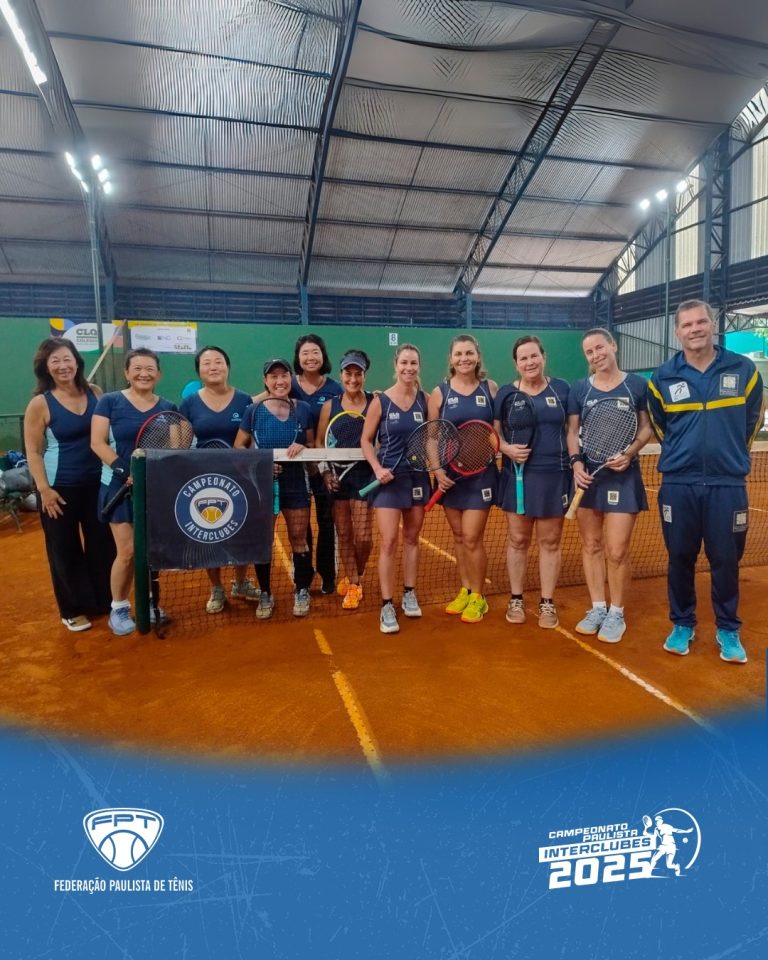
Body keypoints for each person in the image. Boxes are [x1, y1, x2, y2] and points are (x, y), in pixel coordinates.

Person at [647, 299, 764, 663]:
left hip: (727, 484)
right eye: (687, 324)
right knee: (680, 557)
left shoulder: (743, 370)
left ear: (712, 325)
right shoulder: (663, 377)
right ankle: (682, 623)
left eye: (700, 322)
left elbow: (754, 419)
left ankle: (728, 629)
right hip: (678, 485)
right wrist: (682, 457)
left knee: (726, 559)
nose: (694, 329)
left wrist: (733, 456)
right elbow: (661, 427)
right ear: (677, 332)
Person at [23, 338, 116, 632]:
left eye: (67, 359)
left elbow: (107, 436)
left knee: (103, 545)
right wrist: (44, 490)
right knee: (64, 549)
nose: (62, 366)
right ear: (45, 367)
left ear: (77, 362)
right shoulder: (40, 404)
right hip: (58, 489)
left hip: (98, 484)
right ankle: (72, 609)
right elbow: (33, 451)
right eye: (55, 361)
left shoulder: (96, 393)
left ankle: (103, 601)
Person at [566, 328, 653, 643]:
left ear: (613, 346)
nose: (596, 355)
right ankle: (597, 608)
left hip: (624, 476)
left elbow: (646, 427)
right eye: (589, 352)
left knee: (616, 550)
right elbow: (572, 432)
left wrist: (630, 453)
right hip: (588, 477)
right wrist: (576, 464)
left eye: (600, 348)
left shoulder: (637, 385)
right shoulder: (580, 389)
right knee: (591, 545)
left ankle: (616, 612)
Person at [91, 348, 177, 636]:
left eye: (150, 368)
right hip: (118, 486)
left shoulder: (168, 407)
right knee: (127, 551)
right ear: (127, 373)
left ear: (159, 374)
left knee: (150, 551)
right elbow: (97, 442)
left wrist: (155, 475)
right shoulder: (110, 402)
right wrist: (124, 472)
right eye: (137, 368)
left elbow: (173, 450)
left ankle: (148, 603)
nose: (144, 373)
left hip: (153, 487)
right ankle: (118, 608)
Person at [493, 336, 570, 629]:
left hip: (554, 476)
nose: (530, 362)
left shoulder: (562, 389)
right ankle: (516, 598)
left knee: (550, 541)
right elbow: (493, 433)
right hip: (517, 476)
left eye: (534, 356)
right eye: (523, 358)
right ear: (516, 364)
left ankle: (547, 601)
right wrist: (506, 449)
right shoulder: (506, 393)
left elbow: (572, 430)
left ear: (543, 357)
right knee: (518, 540)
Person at [235, 359, 315, 619]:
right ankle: (265, 593)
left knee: (298, 538)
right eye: (273, 376)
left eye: (284, 375)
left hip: (296, 483)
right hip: (262, 485)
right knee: (264, 540)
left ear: (290, 378)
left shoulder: (303, 409)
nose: (280, 381)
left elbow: (313, 446)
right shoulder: (253, 410)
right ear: (265, 381)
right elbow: (239, 447)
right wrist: (261, 465)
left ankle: (302, 589)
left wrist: (304, 448)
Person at [179, 345, 256, 613]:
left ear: (228, 366)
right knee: (210, 534)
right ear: (199, 370)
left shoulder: (245, 400)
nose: (213, 367)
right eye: (207, 363)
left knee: (241, 532)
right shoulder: (189, 404)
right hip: (204, 481)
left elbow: (250, 440)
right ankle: (216, 587)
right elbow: (181, 445)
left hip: (239, 478)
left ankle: (241, 582)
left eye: (219, 361)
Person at [428, 335, 498, 624]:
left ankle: (479, 596)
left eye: (469, 353)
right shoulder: (440, 393)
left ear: (477, 356)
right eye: (458, 354)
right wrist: (438, 471)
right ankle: (466, 589)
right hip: (450, 476)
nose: (464, 358)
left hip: (481, 476)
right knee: (458, 536)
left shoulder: (490, 388)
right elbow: (432, 438)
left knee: (471, 537)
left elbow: (496, 432)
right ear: (451, 358)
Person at [361, 343, 427, 634]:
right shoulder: (381, 401)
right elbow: (366, 440)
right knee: (388, 542)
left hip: (417, 478)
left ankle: (409, 593)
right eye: (404, 363)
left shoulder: (425, 400)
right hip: (388, 479)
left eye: (413, 363)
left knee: (412, 538)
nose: (408, 368)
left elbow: (432, 436)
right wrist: (377, 468)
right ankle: (387, 604)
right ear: (395, 365)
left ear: (418, 366)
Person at [316, 350, 374, 611]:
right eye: (348, 373)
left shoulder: (375, 403)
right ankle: (355, 583)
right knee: (344, 533)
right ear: (341, 375)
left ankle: (356, 573)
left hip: (364, 477)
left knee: (363, 537)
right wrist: (326, 472)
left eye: (358, 373)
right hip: (337, 478)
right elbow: (319, 442)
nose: (353, 379)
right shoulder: (330, 406)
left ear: (364, 375)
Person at [290, 334, 343, 594]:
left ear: (323, 356)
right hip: (294, 467)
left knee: (327, 522)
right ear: (298, 358)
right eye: (305, 353)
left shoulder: (335, 388)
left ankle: (328, 574)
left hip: (324, 468)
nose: (310, 357)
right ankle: (304, 574)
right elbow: (262, 400)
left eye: (315, 352)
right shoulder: (287, 385)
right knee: (301, 525)